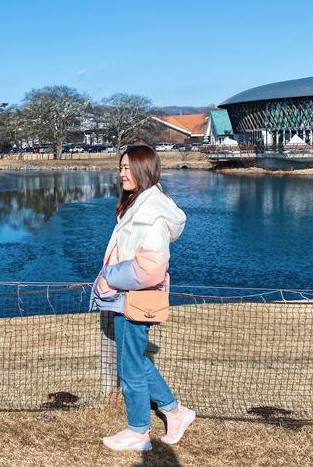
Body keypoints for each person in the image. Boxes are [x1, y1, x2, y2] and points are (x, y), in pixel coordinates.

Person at [90, 144, 195, 452]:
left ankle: (138, 430)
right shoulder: (142, 203)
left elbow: (151, 267)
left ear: (143, 170)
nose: (121, 173)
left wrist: (109, 276)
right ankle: (176, 411)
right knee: (134, 361)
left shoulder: (150, 211)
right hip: (131, 297)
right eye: (120, 167)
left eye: (127, 168)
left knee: (130, 367)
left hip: (137, 297)